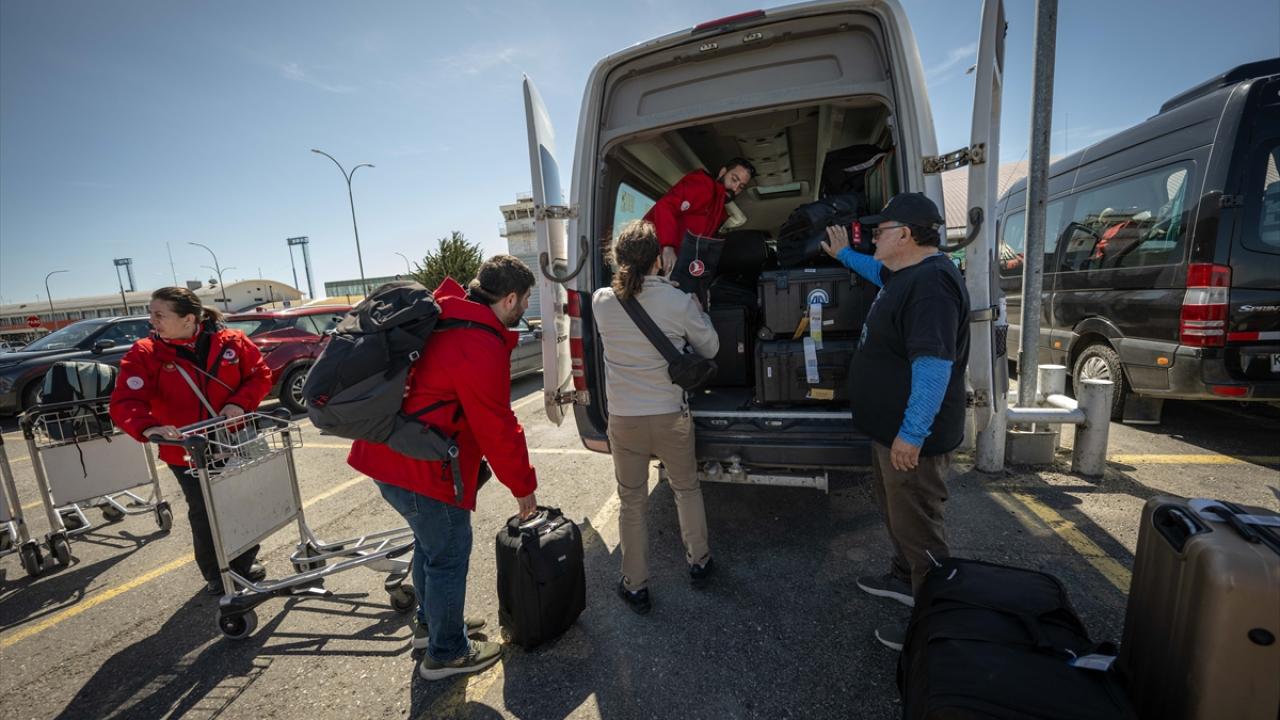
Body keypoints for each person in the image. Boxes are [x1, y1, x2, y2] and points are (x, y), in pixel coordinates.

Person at [347, 255, 539, 681]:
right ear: (509, 298)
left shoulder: (445, 314)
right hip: (422, 468)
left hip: (391, 456)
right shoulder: (478, 344)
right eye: (525, 300)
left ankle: (431, 626)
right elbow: (497, 425)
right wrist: (523, 486)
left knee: (430, 547)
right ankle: (447, 652)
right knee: (449, 554)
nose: (525, 309)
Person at [820, 193, 970, 651]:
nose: (873, 236)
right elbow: (875, 271)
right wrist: (843, 254)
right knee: (897, 516)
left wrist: (911, 433)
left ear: (904, 235)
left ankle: (935, 630)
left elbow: (933, 365)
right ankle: (905, 579)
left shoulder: (932, 286)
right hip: (891, 434)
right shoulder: (908, 273)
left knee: (921, 530)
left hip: (912, 440)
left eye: (880, 230)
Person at [591, 220, 719, 615]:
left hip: (625, 420)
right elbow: (710, 348)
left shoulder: (600, 302)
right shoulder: (677, 301)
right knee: (686, 489)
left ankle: (635, 585)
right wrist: (698, 311)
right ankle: (699, 562)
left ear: (617, 258)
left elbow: (624, 293)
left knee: (631, 503)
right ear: (659, 261)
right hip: (669, 417)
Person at [110, 287, 273, 595]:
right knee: (204, 508)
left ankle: (242, 563)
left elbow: (260, 375)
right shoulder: (145, 353)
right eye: (151, 313)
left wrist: (240, 403)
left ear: (188, 319)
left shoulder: (233, 342)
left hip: (234, 440)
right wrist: (148, 428)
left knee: (244, 500)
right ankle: (216, 573)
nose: (151, 320)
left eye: (159, 314)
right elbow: (126, 401)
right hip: (186, 450)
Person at [643, 158, 756, 275]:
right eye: (734, 179)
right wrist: (668, 246)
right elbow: (665, 206)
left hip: (672, 266)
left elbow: (701, 245)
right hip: (651, 256)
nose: (735, 188)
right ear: (723, 172)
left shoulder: (718, 209)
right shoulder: (703, 185)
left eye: (741, 186)